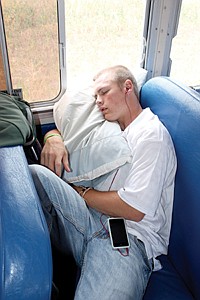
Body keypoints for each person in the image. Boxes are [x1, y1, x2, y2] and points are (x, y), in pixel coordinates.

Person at [30, 65, 177, 300]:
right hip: (90, 218)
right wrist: (53, 137)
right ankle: (46, 276)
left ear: (127, 87)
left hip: (127, 240)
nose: (98, 101)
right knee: (36, 175)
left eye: (104, 92)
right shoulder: (111, 129)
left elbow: (135, 208)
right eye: (95, 96)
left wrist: (81, 192)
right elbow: (72, 128)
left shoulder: (151, 136)